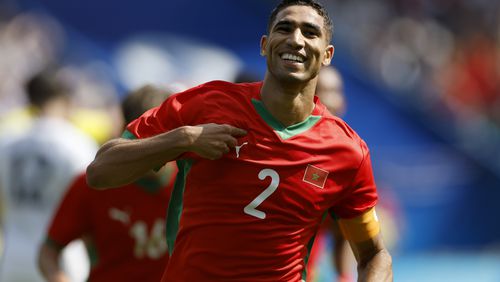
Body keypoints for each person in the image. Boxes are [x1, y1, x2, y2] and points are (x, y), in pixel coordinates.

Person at [86, 0, 393, 281]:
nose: (296, 39)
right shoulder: (205, 105)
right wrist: (185, 139)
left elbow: (374, 254)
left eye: (310, 32)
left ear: (327, 55)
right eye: (284, 28)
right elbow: (100, 171)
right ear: (264, 45)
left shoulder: (347, 152)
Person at [37, 85, 177, 282]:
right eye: (142, 137)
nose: (150, 148)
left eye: (158, 138)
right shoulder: (93, 184)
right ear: (125, 132)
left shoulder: (194, 182)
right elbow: (48, 252)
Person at [0, 69, 97, 282]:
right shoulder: (76, 142)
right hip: (60, 260)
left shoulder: (7, 141)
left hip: (14, 256)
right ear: (65, 100)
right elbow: (92, 198)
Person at [307, 65, 354, 282]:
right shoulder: (275, 144)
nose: (331, 99)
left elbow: (341, 231)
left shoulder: (347, 162)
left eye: (336, 91)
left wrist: (343, 277)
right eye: (322, 90)